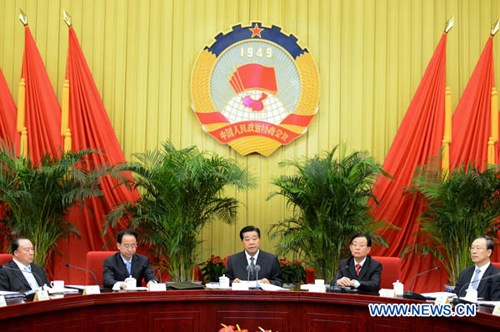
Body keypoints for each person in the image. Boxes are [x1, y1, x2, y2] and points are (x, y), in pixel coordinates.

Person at [454, 235, 500, 300]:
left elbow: (496, 302)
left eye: (478, 248)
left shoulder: (496, 276)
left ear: (489, 252)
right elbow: (455, 295)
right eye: (472, 248)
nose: (474, 252)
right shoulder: (464, 273)